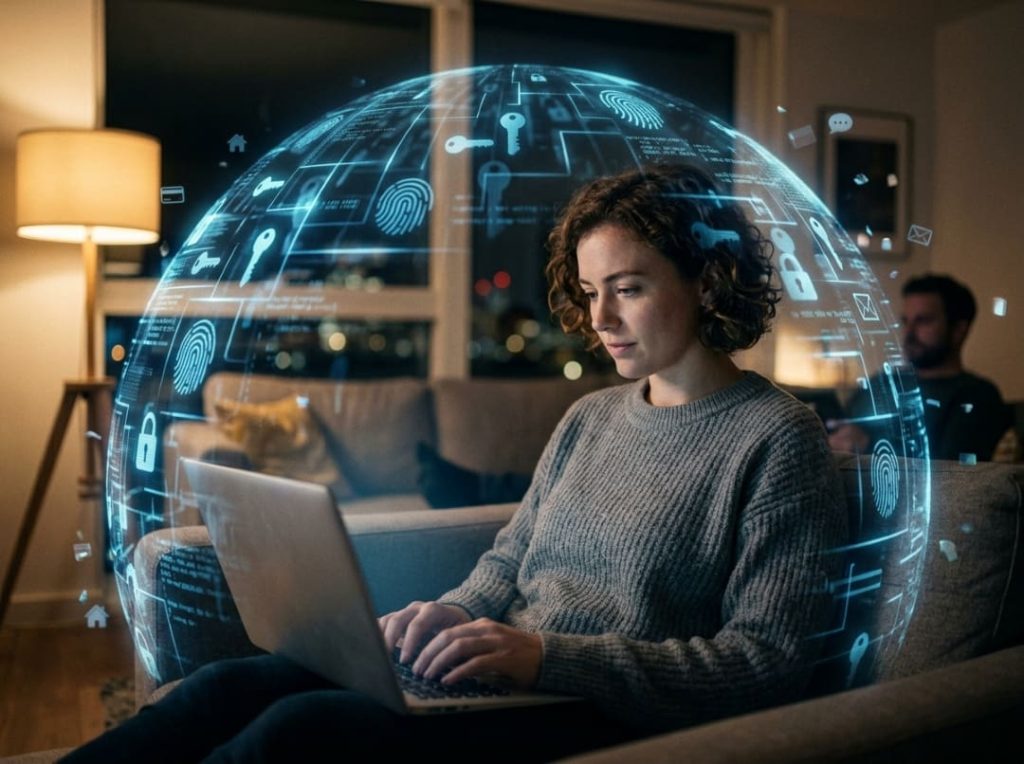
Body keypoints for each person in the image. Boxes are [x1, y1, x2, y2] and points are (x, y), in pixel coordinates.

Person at [64, 164, 847, 763]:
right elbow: (512, 557)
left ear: (708, 279)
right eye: (589, 291)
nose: (601, 319)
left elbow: (765, 664)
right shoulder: (592, 416)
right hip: (500, 677)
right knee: (223, 686)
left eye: (629, 289)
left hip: (583, 710)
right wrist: (456, 611)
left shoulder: (778, 439)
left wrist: (546, 657)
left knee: (298, 733)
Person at [828, 273, 1012, 461]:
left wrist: (868, 444)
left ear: (958, 330)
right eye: (906, 321)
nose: (908, 333)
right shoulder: (880, 382)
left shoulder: (977, 396)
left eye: (923, 321)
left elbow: (952, 472)